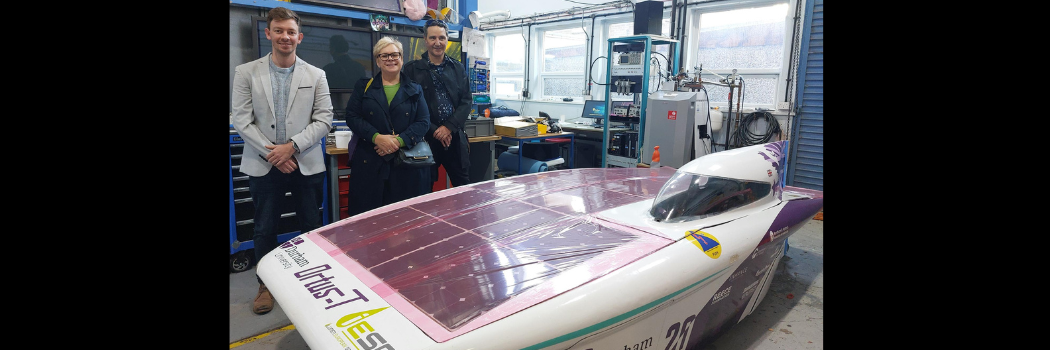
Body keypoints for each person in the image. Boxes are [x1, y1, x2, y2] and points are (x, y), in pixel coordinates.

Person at [230, 7, 334, 315]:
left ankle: (309, 282)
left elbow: (325, 118)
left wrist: (292, 147)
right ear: (268, 33)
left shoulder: (316, 75)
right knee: (264, 228)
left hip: (305, 163)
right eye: (279, 30)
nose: (284, 36)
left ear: (299, 37)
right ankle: (266, 285)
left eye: (290, 32)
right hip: (264, 165)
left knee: (311, 225)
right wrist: (273, 153)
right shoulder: (246, 72)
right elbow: (241, 120)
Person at [344, 36, 431, 216]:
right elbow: (352, 117)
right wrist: (377, 137)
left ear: (401, 58)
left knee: (405, 220)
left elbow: (423, 121)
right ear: (377, 60)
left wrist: (397, 142)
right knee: (368, 220)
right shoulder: (364, 87)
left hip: (405, 164)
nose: (390, 59)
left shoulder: (415, 89)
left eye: (394, 55)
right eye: (384, 56)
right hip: (370, 161)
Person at [403, 20, 473, 188]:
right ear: (425, 40)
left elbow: (466, 101)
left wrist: (448, 127)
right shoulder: (412, 70)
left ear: (447, 39)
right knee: (424, 188)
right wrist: (436, 130)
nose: (437, 42)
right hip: (425, 138)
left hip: (454, 137)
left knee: (464, 188)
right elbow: (410, 107)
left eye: (441, 38)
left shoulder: (457, 68)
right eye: (433, 38)